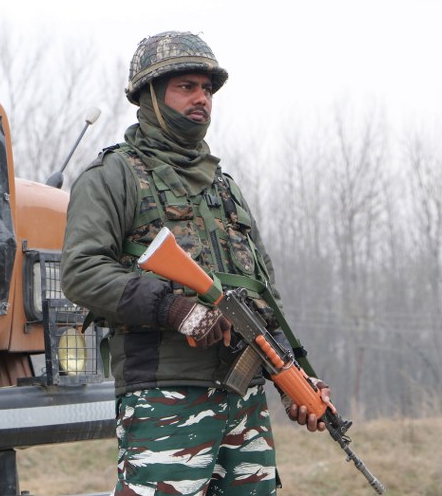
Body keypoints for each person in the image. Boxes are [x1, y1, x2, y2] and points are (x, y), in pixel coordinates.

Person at [61, 31, 332, 496]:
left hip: (243, 399)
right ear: (149, 95)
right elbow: (82, 272)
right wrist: (175, 308)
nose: (202, 99)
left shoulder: (223, 188)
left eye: (207, 89)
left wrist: (294, 378)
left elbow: (262, 296)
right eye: (186, 87)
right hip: (165, 395)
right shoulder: (113, 176)